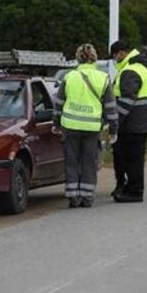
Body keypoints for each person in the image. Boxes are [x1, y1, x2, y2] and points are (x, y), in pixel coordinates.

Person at [54, 44, 118, 208]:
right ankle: (87, 197)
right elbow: (110, 107)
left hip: (70, 126)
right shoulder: (103, 78)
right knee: (90, 162)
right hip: (92, 128)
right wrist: (113, 129)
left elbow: (59, 103)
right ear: (94, 58)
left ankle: (73, 197)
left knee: (72, 162)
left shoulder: (69, 77)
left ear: (77, 58)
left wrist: (56, 123)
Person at [110, 40, 147, 203]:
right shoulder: (144, 66)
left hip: (132, 123)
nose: (114, 59)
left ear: (122, 53)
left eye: (115, 55)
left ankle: (134, 191)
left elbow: (126, 101)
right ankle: (132, 188)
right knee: (136, 158)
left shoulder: (130, 71)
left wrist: (115, 121)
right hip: (144, 120)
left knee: (132, 159)